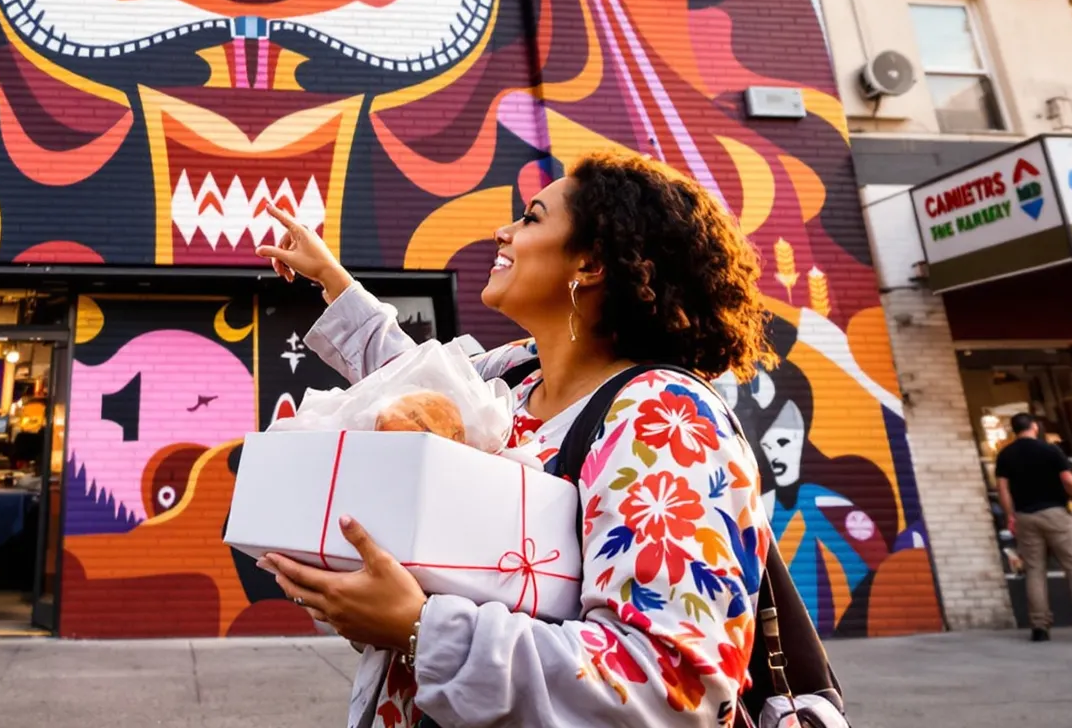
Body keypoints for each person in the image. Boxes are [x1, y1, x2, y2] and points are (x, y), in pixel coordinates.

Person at [255, 152, 772, 728]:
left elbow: (671, 685)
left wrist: (419, 628)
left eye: (530, 218)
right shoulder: (514, 378)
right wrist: (333, 279)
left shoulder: (667, 419)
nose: (503, 231)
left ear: (592, 261)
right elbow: (415, 378)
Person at [997, 412, 1072, 643]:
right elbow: (1068, 480)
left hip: (1026, 516)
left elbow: (1003, 490)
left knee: (1035, 571)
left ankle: (1039, 627)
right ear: (1034, 427)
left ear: (1014, 430)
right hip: (1056, 513)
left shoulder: (1005, 455)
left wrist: (1010, 516)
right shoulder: (1050, 450)